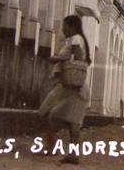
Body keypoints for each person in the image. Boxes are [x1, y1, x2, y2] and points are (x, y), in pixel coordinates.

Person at [38, 15, 92, 165]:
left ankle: (59, 150)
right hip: (71, 86)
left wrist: (57, 59)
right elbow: (79, 59)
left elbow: (75, 58)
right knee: (60, 117)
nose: (63, 30)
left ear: (72, 27)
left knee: (67, 120)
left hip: (73, 87)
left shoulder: (75, 38)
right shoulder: (79, 39)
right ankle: (56, 148)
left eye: (65, 26)